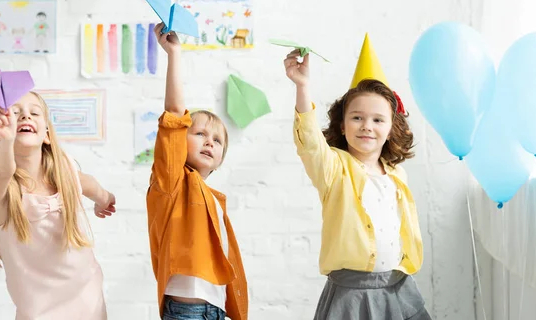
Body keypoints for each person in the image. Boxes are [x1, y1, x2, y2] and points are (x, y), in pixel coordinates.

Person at [284, 34, 431, 319]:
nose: (367, 126)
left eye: (378, 120)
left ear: (391, 128)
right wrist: (303, 87)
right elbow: (311, 143)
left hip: (398, 288)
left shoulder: (396, 175)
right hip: (351, 294)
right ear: (342, 125)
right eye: (357, 117)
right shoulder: (334, 168)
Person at [0, 91, 116, 319]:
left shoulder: (67, 174)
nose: (24, 116)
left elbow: (91, 184)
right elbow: (4, 170)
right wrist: (7, 139)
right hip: (38, 312)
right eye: (13, 113)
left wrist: (104, 200)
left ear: (47, 135)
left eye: (34, 113)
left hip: (88, 300)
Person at [146, 23, 248, 320]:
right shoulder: (172, 182)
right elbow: (175, 115)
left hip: (214, 310)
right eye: (200, 134)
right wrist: (174, 54)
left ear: (220, 160)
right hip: (186, 311)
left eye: (217, 140)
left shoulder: (213, 198)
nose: (209, 142)